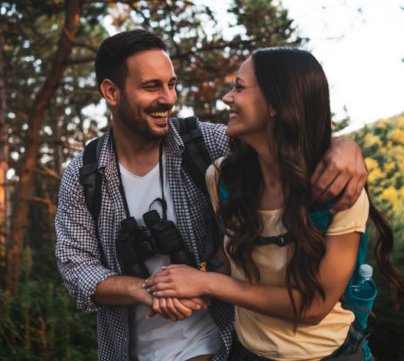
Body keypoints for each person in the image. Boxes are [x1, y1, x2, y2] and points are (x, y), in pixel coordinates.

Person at [55, 31, 369, 361]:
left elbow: (286, 140)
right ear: (111, 92)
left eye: (171, 84)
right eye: (151, 87)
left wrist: (344, 147)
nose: (168, 98)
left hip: (220, 342)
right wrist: (148, 290)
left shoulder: (206, 145)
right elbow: (76, 267)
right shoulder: (84, 174)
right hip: (129, 347)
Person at [143, 48, 404, 360]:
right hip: (245, 352)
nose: (227, 97)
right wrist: (182, 282)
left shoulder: (341, 192)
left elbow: (313, 307)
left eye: (239, 87)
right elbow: (229, 259)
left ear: (277, 103)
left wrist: (207, 282)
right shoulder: (222, 178)